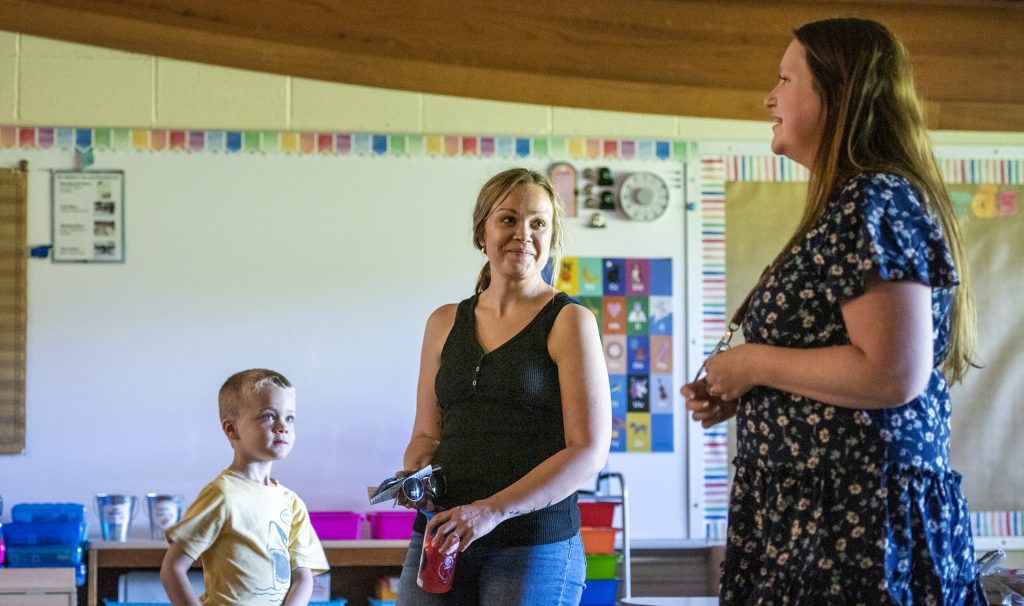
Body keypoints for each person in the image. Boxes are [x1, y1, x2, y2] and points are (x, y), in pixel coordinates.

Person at [682, 18, 987, 604]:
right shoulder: (855, 202)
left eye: (784, 79)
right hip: (826, 517)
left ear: (836, 94)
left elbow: (891, 373)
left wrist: (754, 365)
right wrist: (752, 388)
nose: (769, 98)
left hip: (853, 528)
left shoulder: (873, 198)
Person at [396, 168, 612, 605]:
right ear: (482, 233)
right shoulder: (443, 322)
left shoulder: (569, 321)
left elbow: (588, 451)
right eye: (508, 219)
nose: (523, 233)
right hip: (442, 537)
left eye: (538, 223)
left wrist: (492, 511)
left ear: (551, 237)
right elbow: (427, 434)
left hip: (532, 544)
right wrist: (413, 477)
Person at [160, 369, 328, 606]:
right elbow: (172, 568)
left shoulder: (291, 503)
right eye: (269, 416)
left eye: (290, 418)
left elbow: (303, 577)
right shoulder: (222, 495)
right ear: (231, 429)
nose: (283, 426)